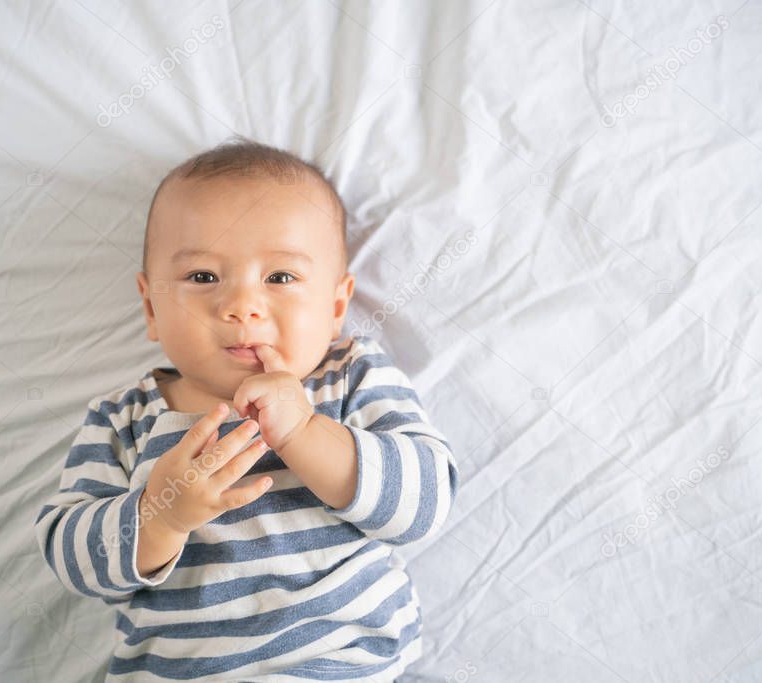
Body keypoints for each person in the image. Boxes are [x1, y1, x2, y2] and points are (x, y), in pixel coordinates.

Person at [33, 136, 460, 681]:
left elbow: (426, 503)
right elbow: (72, 559)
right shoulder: (124, 419)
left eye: (280, 278)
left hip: (344, 666)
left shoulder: (350, 377)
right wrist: (158, 516)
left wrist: (307, 432)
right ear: (151, 307)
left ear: (335, 306)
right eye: (202, 277)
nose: (240, 306)